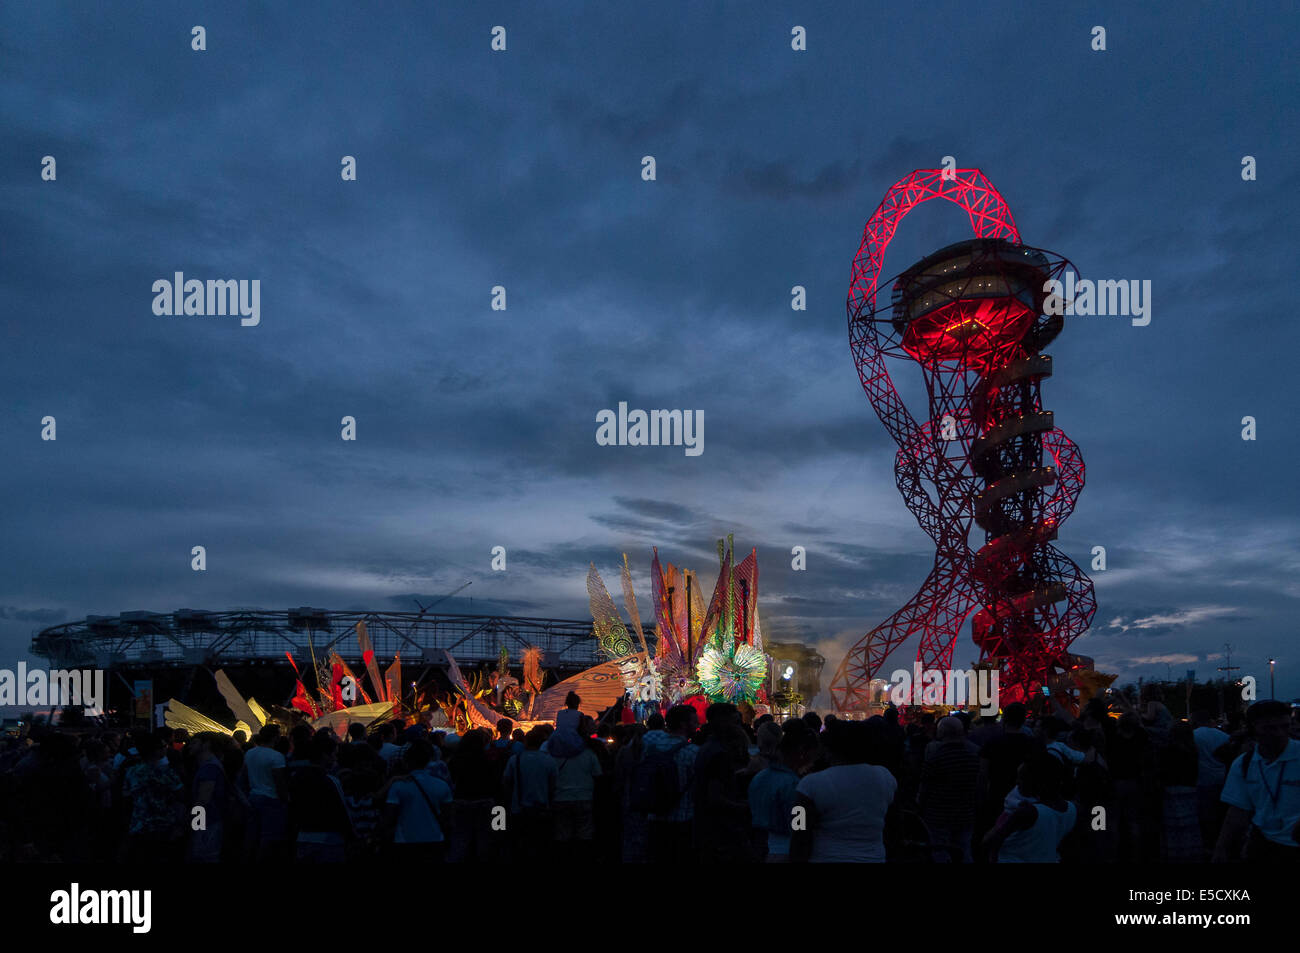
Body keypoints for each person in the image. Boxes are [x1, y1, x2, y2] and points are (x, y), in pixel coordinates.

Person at [791, 720, 896, 862]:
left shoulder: (810, 784)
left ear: (829, 750)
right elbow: (892, 822)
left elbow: (798, 829)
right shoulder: (884, 777)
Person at [1213, 700, 1300, 862]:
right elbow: (1237, 811)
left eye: (1285, 726)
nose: (1280, 733)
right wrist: (1222, 848)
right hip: (1264, 845)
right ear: (1253, 729)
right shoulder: (1243, 764)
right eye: (1270, 728)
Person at [985, 753, 1076, 863]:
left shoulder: (1028, 812)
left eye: (1021, 778)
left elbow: (991, 841)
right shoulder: (1072, 808)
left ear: (1036, 782)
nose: (1017, 782)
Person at [644, 704, 700, 864]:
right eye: (694, 722)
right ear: (683, 724)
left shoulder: (651, 748)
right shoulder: (692, 752)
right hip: (682, 818)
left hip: (654, 815)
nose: (697, 726)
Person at [919, 716, 980, 862]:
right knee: (964, 849)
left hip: (938, 814)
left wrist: (921, 805)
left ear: (940, 732)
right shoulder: (974, 755)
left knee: (940, 851)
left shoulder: (934, 757)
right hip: (966, 812)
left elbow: (925, 786)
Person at [384, 739, 454, 862]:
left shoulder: (398, 786)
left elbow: (389, 815)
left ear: (406, 762)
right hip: (435, 839)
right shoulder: (442, 785)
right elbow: (447, 815)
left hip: (405, 840)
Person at [287, 731, 352, 862]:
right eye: (333, 754)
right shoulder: (330, 781)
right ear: (324, 756)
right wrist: (351, 836)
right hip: (329, 840)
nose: (335, 758)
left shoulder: (295, 778)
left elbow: (291, 808)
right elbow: (342, 811)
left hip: (303, 837)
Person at [748, 723, 805, 861]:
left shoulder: (759, 777)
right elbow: (798, 824)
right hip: (786, 848)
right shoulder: (793, 783)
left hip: (761, 844)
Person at [502, 727, 558, 861]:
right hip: (542, 808)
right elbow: (554, 785)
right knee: (540, 846)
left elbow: (506, 782)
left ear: (525, 742)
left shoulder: (515, 759)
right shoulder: (549, 760)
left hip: (518, 808)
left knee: (520, 845)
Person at [552, 715, 603, 861]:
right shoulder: (589, 753)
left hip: (561, 797)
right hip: (584, 797)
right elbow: (598, 774)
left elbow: (552, 774)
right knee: (584, 833)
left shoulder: (556, 754)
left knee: (562, 833)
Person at [239, 724, 288, 862]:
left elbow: (243, 776)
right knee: (269, 836)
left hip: (254, 797)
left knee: (251, 834)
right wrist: (285, 799)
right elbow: (279, 782)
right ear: (275, 737)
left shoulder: (250, 753)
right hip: (272, 799)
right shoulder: (277, 757)